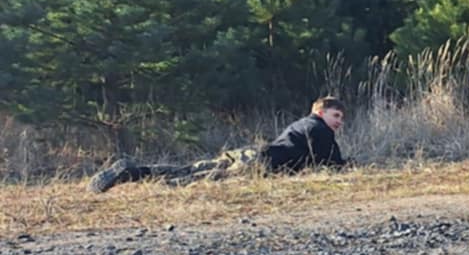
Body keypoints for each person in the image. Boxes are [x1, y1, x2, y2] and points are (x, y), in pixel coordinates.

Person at [89, 96, 349, 193]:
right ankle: (147, 184)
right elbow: (333, 164)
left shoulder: (301, 124)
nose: (338, 122)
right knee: (197, 179)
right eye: (335, 115)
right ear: (320, 112)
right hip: (261, 164)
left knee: (190, 168)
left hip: (252, 153)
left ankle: (136, 171)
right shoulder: (318, 128)